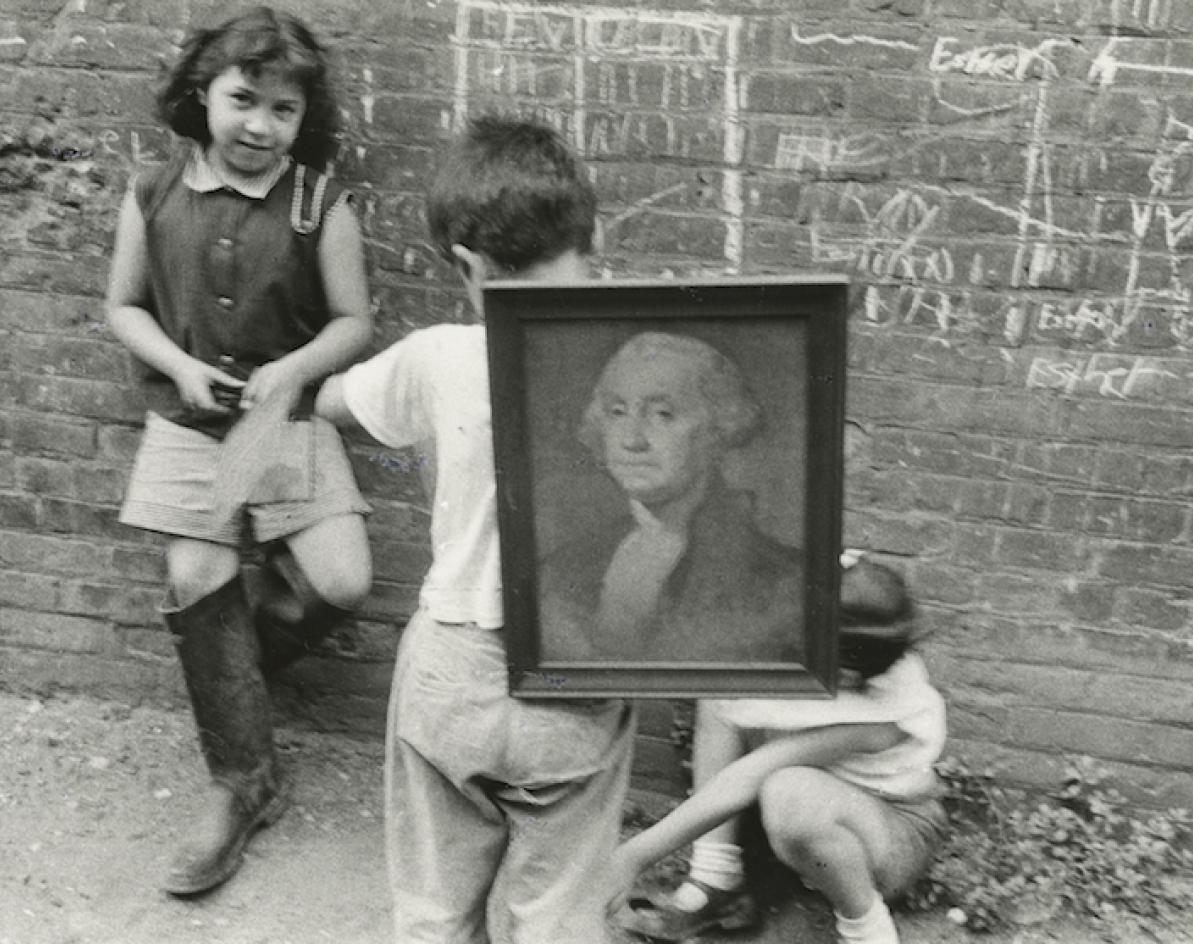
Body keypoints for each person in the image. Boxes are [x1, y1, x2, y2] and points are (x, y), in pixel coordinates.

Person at [313, 114, 635, 943]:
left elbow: (332, 402)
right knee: (561, 911)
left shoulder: (438, 356)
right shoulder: (642, 360)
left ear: (466, 263)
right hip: (578, 672)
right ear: (590, 234)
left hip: (450, 669)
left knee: (432, 908)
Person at [103, 7, 373, 896]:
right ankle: (242, 779)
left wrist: (292, 372)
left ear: (305, 122)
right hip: (190, 425)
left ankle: (231, 683)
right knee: (195, 579)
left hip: (279, 423)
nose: (259, 125)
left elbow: (353, 321)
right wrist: (179, 368)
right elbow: (124, 307)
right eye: (243, 100)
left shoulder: (318, 202)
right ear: (201, 96)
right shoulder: (152, 190)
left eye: (283, 110)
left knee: (341, 582)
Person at [605, 552, 948, 944]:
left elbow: (749, 776)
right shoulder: (858, 651)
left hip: (892, 832)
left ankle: (868, 929)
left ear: (847, 671)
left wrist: (633, 856)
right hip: (822, 815)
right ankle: (715, 880)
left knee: (787, 790)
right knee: (724, 696)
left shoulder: (887, 712)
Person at [538, 332, 804, 662]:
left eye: (663, 414)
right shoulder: (562, 569)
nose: (632, 440)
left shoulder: (784, 582)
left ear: (719, 427)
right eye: (617, 412)